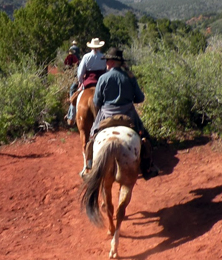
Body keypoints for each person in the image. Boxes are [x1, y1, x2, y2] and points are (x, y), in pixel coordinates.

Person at [86, 47, 159, 179]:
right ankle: (147, 168)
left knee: (92, 137)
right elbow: (140, 98)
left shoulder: (103, 78)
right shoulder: (130, 78)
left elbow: (97, 101)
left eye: (107, 60)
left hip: (106, 114)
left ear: (113, 62)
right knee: (145, 138)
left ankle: (89, 166)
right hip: (128, 115)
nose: (106, 63)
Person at [65, 38, 107, 125]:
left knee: (74, 95)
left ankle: (71, 117)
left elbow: (80, 73)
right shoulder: (104, 57)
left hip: (88, 82)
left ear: (91, 47)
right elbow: (106, 72)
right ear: (99, 47)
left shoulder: (86, 57)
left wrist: (81, 82)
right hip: (101, 83)